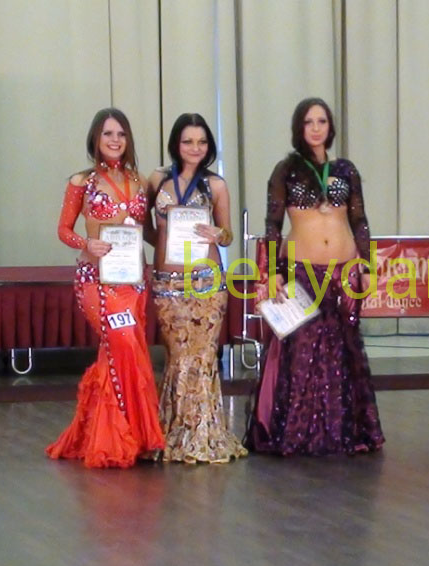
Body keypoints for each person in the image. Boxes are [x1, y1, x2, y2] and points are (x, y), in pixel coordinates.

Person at [245, 97, 384, 456]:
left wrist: (367, 265)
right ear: (299, 128)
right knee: (302, 350)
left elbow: (360, 221)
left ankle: (341, 432)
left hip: (343, 272)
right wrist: (272, 273)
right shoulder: (286, 171)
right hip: (301, 271)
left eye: (322, 121)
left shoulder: (345, 170)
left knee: (342, 350)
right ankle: (296, 431)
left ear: (330, 127)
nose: (317, 128)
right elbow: (272, 225)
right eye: (309, 122)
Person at [47, 107, 165, 467]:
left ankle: (128, 435)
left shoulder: (139, 180)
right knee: (122, 342)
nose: (115, 140)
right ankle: (116, 437)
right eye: (108, 134)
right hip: (96, 280)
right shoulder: (82, 182)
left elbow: (147, 231)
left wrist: (184, 241)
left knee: (129, 350)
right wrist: (87, 244)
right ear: (96, 139)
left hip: (132, 281)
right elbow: (63, 229)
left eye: (121, 134)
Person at [147, 113, 247, 463]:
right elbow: (145, 227)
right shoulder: (157, 179)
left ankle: (205, 435)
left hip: (206, 282)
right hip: (167, 282)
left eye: (202, 142)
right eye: (188, 141)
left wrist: (219, 235)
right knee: (177, 358)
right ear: (176, 143)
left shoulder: (215, 185)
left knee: (202, 359)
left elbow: (228, 234)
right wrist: (166, 245)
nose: (195, 148)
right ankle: (172, 430)